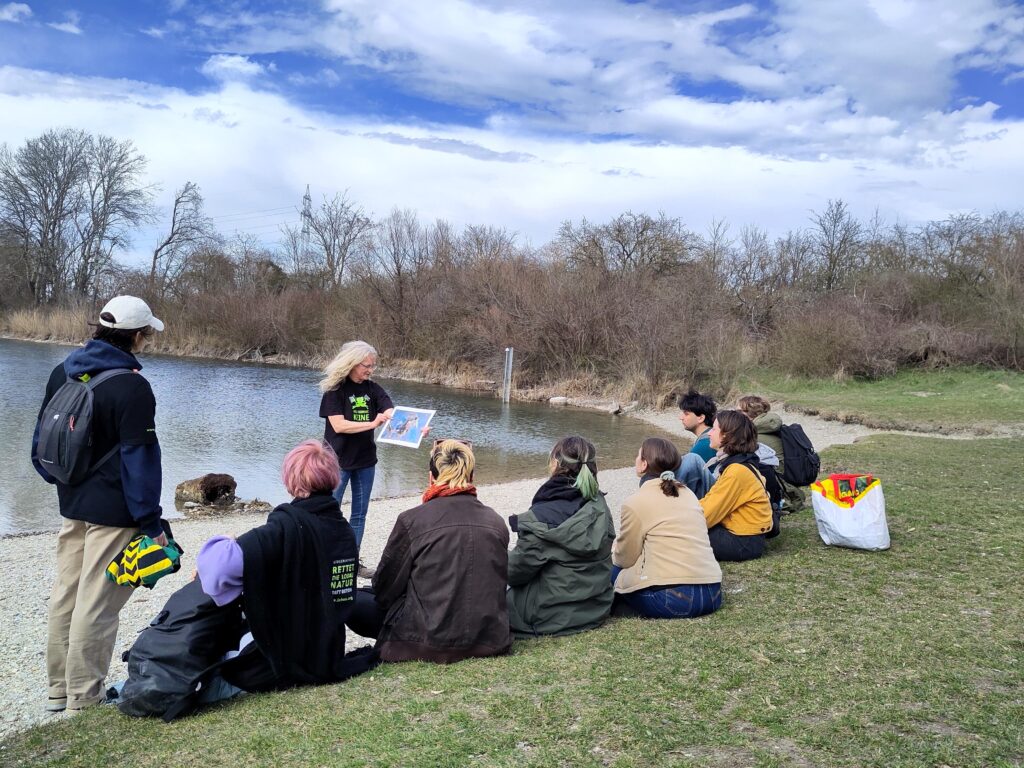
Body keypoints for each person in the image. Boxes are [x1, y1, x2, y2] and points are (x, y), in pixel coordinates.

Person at [32, 296, 166, 713]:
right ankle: (85, 699)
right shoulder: (132, 385)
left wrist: (59, 484)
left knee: (66, 596)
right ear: (138, 336)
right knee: (98, 605)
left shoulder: (63, 371)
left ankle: (59, 692)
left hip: (71, 502)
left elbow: (41, 440)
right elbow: (139, 460)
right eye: (147, 334)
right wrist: (150, 521)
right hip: (114, 512)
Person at [194, 440, 375, 695]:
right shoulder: (342, 529)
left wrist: (227, 540)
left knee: (208, 661)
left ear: (292, 482)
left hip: (280, 656)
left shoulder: (282, 529)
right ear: (333, 479)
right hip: (325, 651)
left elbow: (216, 570)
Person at [350, 440, 512, 663]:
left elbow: (384, 588)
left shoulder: (412, 520)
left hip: (426, 640)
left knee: (354, 599)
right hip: (488, 638)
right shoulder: (495, 522)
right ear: (471, 477)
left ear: (431, 477)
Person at [506, 436, 616, 637]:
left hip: (547, 615)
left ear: (555, 463)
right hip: (595, 608)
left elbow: (514, 572)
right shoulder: (600, 506)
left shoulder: (542, 516)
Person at [612, 438, 723, 619]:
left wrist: (615, 551)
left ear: (644, 464)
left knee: (614, 572)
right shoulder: (688, 494)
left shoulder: (636, 502)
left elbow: (625, 559)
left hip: (673, 600)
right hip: (713, 594)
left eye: (638, 455)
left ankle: (621, 606)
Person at [318, 340, 394, 566]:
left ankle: (352, 560)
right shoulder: (335, 390)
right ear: (351, 363)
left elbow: (390, 410)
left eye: (372, 366)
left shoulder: (373, 388)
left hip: (365, 462)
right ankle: (325, 558)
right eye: (365, 366)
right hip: (337, 462)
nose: (370, 370)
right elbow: (339, 425)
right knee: (329, 511)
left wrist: (416, 426)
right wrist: (372, 423)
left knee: (359, 515)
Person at [698, 410, 774, 562]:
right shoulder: (740, 463)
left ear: (726, 435)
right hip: (747, 536)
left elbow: (707, 514)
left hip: (743, 542)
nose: (709, 434)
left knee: (683, 536)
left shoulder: (736, 471)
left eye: (714, 429)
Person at [737, 395, 807, 512]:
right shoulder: (766, 427)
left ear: (749, 414)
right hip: (787, 475)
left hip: (779, 479)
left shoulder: (754, 433)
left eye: (738, 411)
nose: (735, 414)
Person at [678, 388, 718, 463]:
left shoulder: (705, 444)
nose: (680, 418)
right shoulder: (710, 438)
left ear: (701, 418)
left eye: (686, 414)